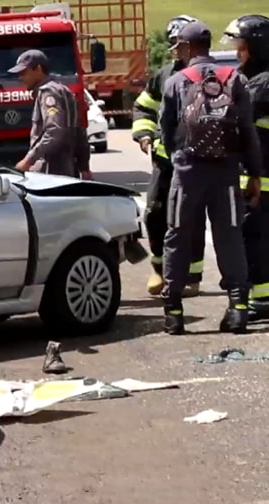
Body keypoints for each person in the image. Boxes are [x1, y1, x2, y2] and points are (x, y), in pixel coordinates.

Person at [158, 21, 265, 335]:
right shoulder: (235, 78)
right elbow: (248, 132)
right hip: (226, 175)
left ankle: (174, 313)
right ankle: (238, 311)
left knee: (177, 237)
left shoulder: (176, 81)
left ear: (189, 48)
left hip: (188, 174)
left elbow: (166, 131)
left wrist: (179, 159)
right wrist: (254, 174)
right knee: (229, 238)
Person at [132, 15, 205, 298]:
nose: (174, 49)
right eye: (173, 43)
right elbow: (143, 107)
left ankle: (193, 276)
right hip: (164, 163)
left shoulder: (206, 74)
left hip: (196, 162)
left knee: (193, 217)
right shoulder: (163, 75)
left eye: (178, 44)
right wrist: (144, 133)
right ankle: (159, 269)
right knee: (154, 213)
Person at [221, 15, 269, 320]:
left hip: (260, 182)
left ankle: (261, 300)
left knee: (255, 237)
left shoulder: (260, 86)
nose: (238, 52)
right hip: (257, 178)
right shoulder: (255, 80)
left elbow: (235, 121)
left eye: (242, 46)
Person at [8, 50, 92, 179]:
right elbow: (79, 130)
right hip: (67, 169)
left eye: (24, 73)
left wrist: (29, 160)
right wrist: (84, 167)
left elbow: (54, 131)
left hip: (49, 170)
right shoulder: (63, 90)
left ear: (39, 69)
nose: (21, 78)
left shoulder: (48, 93)